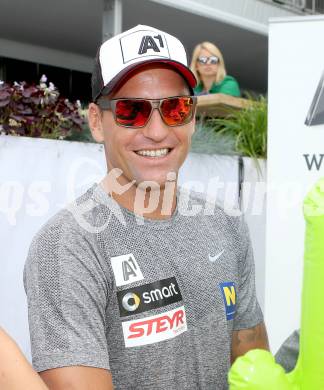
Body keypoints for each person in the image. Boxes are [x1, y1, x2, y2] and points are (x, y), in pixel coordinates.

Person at [24, 24, 268, 390]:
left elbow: (254, 367)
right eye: (131, 110)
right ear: (96, 122)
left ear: (192, 115)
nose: (156, 131)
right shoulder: (68, 247)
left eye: (175, 108)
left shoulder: (226, 224)